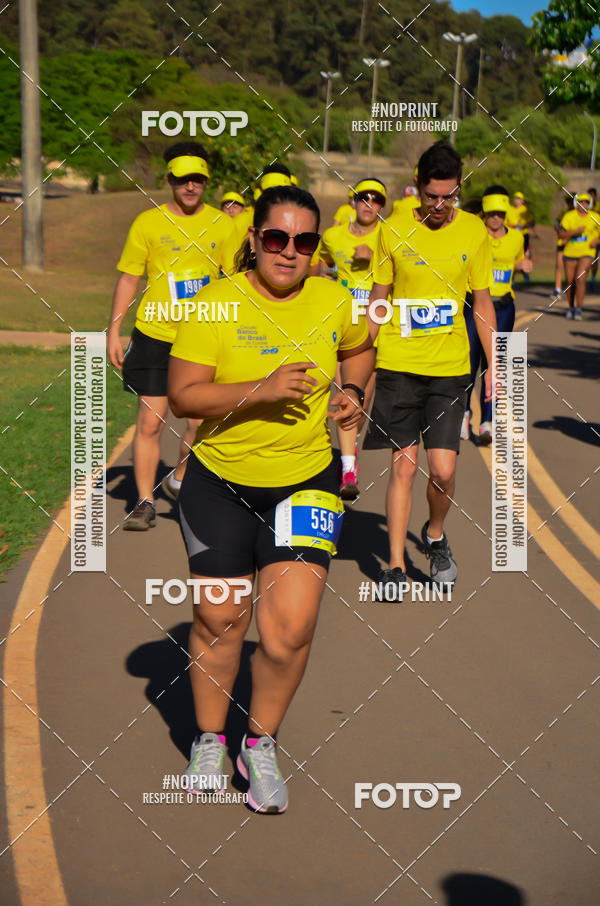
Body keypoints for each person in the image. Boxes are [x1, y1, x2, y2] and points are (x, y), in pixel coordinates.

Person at [168, 185, 374, 813]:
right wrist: (260, 387)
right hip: (221, 482)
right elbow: (183, 397)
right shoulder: (215, 303)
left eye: (305, 241)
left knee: (288, 631)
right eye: (278, 238)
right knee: (220, 620)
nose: (290, 252)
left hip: (306, 481)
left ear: (316, 247)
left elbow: (360, 348)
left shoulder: (335, 298)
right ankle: (209, 738)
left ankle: (258, 744)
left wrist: (355, 395)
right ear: (255, 239)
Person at [364, 142, 496, 593]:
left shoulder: (474, 231)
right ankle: (396, 566)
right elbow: (379, 298)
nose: (439, 205)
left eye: (449, 196)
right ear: (417, 187)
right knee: (403, 466)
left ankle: (434, 534)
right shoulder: (393, 228)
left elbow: (481, 303)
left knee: (442, 470)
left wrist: (494, 365)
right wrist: (360, 361)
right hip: (399, 364)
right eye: (432, 195)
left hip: (450, 369)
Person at [107, 141, 235, 529]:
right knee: (150, 422)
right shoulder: (148, 223)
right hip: (154, 333)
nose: (190, 187)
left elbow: (232, 282)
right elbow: (130, 277)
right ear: (169, 181)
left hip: (202, 338)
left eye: (197, 179)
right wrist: (115, 329)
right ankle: (144, 502)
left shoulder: (223, 225)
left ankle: (179, 476)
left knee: (197, 423)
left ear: (206, 182)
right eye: (183, 180)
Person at [319, 177, 387, 498]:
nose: (369, 203)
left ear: (382, 206)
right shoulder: (333, 236)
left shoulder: (389, 238)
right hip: (341, 325)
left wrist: (372, 260)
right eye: (363, 197)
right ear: (353, 201)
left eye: (376, 199)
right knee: (342, 392)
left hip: (376, 328)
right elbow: (319, 262)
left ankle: (349, 451)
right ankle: (347, 469)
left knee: (361, 400)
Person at [461, 185, 532, 445]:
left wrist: (523, 267)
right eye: (491, 213)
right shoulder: (474, 234)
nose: (495, 218)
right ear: (484, 213)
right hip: (474, 305)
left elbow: (520, 264)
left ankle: (488, 421)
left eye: (500, 214)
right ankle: (464, 415)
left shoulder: (517, 238)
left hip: (503, 308)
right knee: (469, 361)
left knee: (494, 365)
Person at [558, 192, 600, 320]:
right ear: (577, 203)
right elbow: (561, 235)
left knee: (580, 277)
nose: (584, 204)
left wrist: (596, 240)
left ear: (590, 204)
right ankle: (571, 307)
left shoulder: (595, 217)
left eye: (586, 202)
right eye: (581, 202)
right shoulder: (568, 216)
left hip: (587, 252)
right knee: (570, 282)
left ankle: (579, 308)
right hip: (570, 253)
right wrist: (575, 232)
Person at [505, 191, 535, 282]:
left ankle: (525, 273)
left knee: (525, 255)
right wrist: (514, 225)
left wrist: (524, 225)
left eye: (519, 199)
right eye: (515, 198)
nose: (516, 200)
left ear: (522, 201)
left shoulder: (525, 210)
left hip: (523, 236)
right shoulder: (510, 209)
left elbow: (532, 222)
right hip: (512, 236)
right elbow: (505, 224)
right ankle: (512, 278)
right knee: (512, 256)